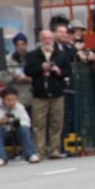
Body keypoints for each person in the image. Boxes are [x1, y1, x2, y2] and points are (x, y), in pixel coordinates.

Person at [24, 29, 70, 159]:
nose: (47, 41)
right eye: (44, 38)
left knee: (56, 122)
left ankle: (54, 150)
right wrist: (41, 68)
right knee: (39, 124)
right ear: (40, 40)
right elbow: (27, 70)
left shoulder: (61, 54)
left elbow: (68, 71)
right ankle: (40, 151)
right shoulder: (33, 55)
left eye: (49, 38)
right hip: (40, 94)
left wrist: (59, 71)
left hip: (57, 93)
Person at [0, 87, 40, 166]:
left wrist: (17, 122)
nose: (12, 102)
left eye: (14, 99)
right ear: (3, 99)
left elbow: (27, 122)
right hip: (1, 134)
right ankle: (0, 157)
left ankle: (30, 154)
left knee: (24, 129)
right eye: (9, 99)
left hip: (16, 133)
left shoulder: (19, 107)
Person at [0, 33, 33, 113]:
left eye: (22, 44)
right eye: (18, 44)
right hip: (15, 99)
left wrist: (29, 79)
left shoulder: (32, 58)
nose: (20, 47)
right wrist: (13, 78)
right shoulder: (8, 60)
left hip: (30, 97)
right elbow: (2, 79)